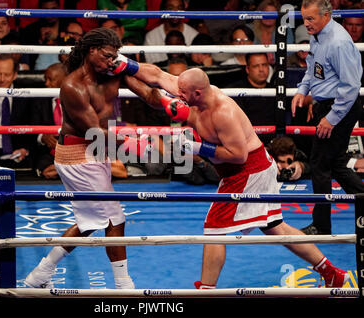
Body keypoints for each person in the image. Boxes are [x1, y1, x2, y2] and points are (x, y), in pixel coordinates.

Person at [129, 62, 349, 288]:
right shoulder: (191, 91)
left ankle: (206, 290)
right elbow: (157, 75)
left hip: (248, 171)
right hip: (248, 170)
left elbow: (238, 155)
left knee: (214, 229)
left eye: (183, 93)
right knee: (276, 227)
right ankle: (332, 273)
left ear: (197, 93)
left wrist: (196, 148)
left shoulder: (223, 112)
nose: (178, 95)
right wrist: (124, 66)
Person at [25, 28, 157, 289]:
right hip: (77, 156)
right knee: (114, 220)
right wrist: (139, 144)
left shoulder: (113, 72)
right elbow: (95, 133)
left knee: (89, 222)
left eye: (114, 57)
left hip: (95, 153)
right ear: (91, 51)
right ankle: (124, 286)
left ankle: (39, 275)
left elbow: (146, 92)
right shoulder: (73, 86)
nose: (111, 61)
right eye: (107, 56)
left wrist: (168, 101)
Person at [291, 0, 364, 235]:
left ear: (327, 15)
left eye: (311, 19)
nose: (306, 24)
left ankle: (321, 225)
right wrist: (302, 90)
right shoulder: (318, 34)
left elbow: (351, 86)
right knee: (336, 164)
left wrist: (332, 117)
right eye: (304, 18)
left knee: (320, 164)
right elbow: (312, 67)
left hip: (340, 106)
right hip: (328, 105)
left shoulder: (339, 42)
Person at [226, 53, 275, 145]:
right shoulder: (235, 91)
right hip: (246, 143)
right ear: (248, 69)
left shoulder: (275, 90)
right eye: (256, 66)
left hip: (274, 142)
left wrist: (310, 102)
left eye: (264, 65)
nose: (261, 70)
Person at [31, 63, 67, 179]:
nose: (46, 83)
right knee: (46, 171)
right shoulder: (39, 100)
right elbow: (31, 128)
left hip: (73, 148)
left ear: (64, 79)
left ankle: (68, 169)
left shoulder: (77, 100)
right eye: (45, 79)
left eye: (50, 79)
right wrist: (42, 137)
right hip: (49, 151)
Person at [143, 0, 199, 65]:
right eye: (170, 8)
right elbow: (150, 65)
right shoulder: (151, 37)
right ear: (163, 11)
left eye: (179, 8)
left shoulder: (194, 35)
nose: (175, 12)